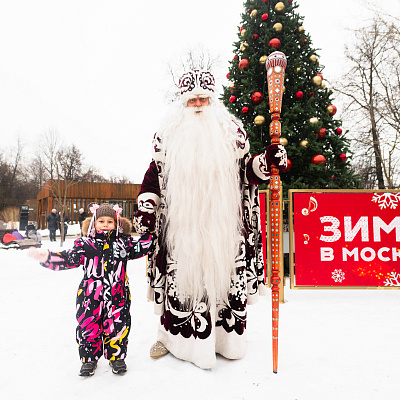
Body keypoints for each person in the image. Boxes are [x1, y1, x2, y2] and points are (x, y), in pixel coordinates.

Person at [133, 70, 287, 369]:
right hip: (182, 232)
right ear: (183, 103)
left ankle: (227, 342)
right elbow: (153, 179)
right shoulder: (168, 139)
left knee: (224, 283)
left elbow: (247, 173)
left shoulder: (231, 135)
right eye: (193, 100)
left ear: (213, 100)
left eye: (204, 98)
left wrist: (266, 162)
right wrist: (147, 210)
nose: (199, 104)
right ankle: (172, 340)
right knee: (182, 284)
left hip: (224, 231)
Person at [29, 203, 154, 376]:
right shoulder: (85, 244)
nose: (105, 224)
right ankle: (89, 360)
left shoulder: (124, 243)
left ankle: (116, 357)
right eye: (101, 221)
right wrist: (47, 257)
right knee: (88, 326)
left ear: (117, 223)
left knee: (118, 326)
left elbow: (143, 246)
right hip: (90, 295)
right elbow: (68, 258)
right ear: (93, 223)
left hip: (118, 294)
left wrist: (153, 234)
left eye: (110, 221)